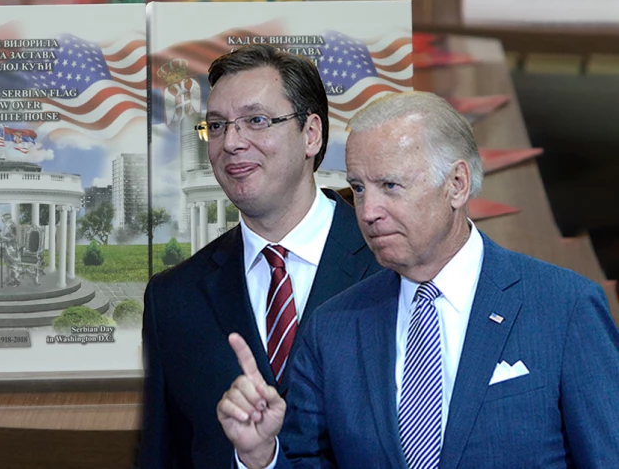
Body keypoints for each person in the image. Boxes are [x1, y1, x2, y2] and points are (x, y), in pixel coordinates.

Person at [217, 91, 619, 468]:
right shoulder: (333, 327)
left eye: (390, 186)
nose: (368, 211)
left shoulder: (565, 308)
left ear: (457, 185)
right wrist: (262, 456)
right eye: (358, 188)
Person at [140, 44, 382, 468]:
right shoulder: (173, 299)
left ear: (311, 134)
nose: (231, 142)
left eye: (256, 120)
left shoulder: (390, 266)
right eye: (217, 126)